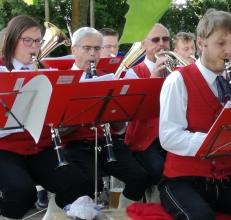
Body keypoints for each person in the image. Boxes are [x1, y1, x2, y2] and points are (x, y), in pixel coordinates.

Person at [158, 8, 231, 220]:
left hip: (227, 181)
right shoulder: (178, 81)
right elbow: (168, 136)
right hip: (183, 181)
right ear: (201, 43)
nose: (228, 52)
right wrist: (216, 141)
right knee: (200, 217)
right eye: (220, 43)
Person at [0, 15, 91, 219]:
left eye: (38, 41)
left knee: (78, 184)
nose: (34, 47)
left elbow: (60, 116)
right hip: (4, 148)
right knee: (21, 192)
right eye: (28, 41)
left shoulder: (48, 73)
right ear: (13, 40)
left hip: (39, 146)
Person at [62, 27, 151, 209]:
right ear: (74, 50)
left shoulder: (108, 78)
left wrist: (111, 111)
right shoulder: (64, 80)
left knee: (140, 177)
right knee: (91, 184)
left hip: (106, 141)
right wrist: (86, 115)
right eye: (87, 48)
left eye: (97, 49)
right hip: (75, 145)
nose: (93, 54)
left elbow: (120, 129)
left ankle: (121, 214)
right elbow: (58, 130)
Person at [122, 23, 170, 203]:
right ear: (143, 45)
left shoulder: (179, 70)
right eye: (155, 40)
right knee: (159, 169)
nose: (161, 44)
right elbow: (134, 113)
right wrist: (154, 79)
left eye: (165, 39)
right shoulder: (132, 74)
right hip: (144, 140)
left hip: (171, 135)